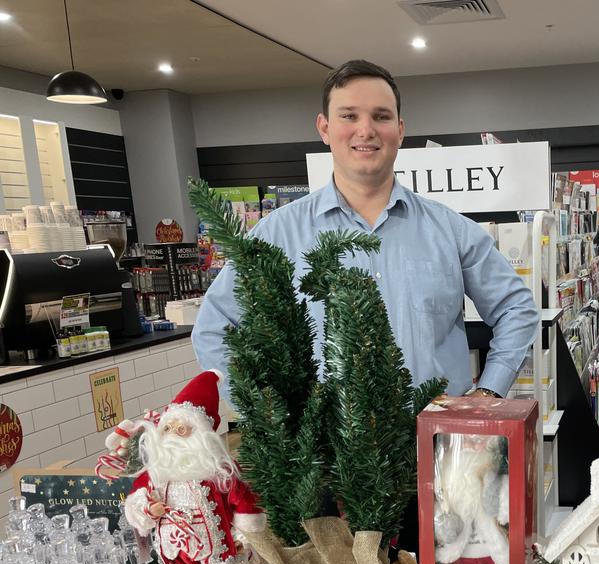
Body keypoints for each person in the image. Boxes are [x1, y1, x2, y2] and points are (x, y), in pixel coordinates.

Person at [192, 59, 539, 405]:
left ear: (400, 130)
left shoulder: (451, 231)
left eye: (381, 116)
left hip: (436, 445)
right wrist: (266, 415)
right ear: (324, 127)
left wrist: (488, 391)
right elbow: (215, 325)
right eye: (349, 116)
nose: (366, 129)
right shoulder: (276, 235)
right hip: (322, 455)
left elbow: (516, 308)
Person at [122, 370, 265, 564]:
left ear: (200, 433)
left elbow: (244, 499)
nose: (173, 436)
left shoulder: (219, 471)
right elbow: (136, 499)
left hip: (217, 545)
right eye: (168, 429)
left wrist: (248, 531)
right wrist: (146, 510)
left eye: (182, 429)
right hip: (176, 547)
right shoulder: (156, 473)